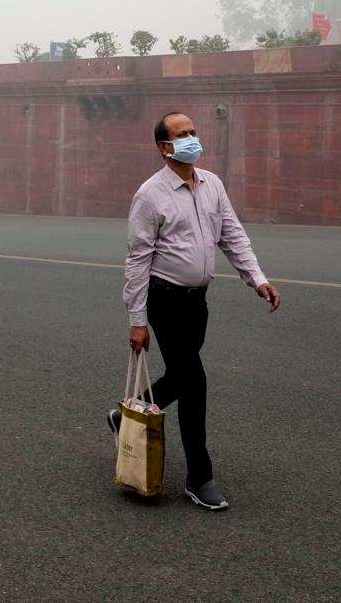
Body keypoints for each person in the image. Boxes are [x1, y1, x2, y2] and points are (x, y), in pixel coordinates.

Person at [111, 111, 281, 512]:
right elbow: (137, 260)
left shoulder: (212, 185)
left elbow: (232, 235)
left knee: (181, 376)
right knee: (195, 381)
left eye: (194, 132)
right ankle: (199, 477)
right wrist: (137, 321)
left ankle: (126, 416)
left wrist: (256, 279)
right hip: (163, 300)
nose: (192, 139)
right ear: (164, 147)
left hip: (196, 303)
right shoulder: (150, 195)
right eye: (182, 134)